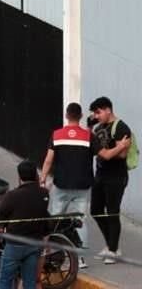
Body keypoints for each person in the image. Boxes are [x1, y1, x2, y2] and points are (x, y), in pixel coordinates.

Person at [40, 102, 97, 269]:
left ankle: (54, 255)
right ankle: (81, 259)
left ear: (66, 115)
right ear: (79, 117)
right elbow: (103, 154)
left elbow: (48, 160)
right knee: (80, 221)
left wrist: (43, 179)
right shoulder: (88, 136)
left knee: (56, 219)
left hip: (61, 185)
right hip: (83, 186)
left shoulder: (57, 135)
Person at [89, 96, 133, 263]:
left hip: (116, 177)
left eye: (98, 112)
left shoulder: (121, 127)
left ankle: (113, 250)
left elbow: (122, 154)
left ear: (108, 110)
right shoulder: (98, 127)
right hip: (100, 175)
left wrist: (115, 149)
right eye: (94, 113)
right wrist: (116, 147)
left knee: (112, 212)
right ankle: (111, 244)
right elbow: (95, 147)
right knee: (95, 210)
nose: (96, 116)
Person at [0, 160, 50, 289]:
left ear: (19, 177)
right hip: (34, 243)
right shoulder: (44, 194)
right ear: (36, 175)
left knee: (5, 279)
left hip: (15, 244)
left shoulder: (12, 196)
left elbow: (1, 215)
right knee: (29, 281)